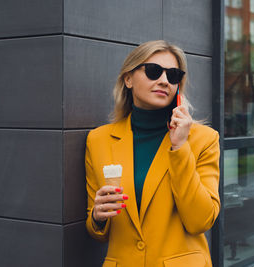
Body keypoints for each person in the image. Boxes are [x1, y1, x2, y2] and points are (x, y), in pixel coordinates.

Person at [85, 40, 220, 267]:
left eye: (173, 75)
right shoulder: (98, 140)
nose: (164, 81)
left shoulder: (203, 139)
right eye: (153, 71)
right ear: (128, 79)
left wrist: (179, 147)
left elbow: (201, 221)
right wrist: (97, 217)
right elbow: (98, 232)